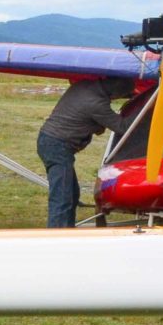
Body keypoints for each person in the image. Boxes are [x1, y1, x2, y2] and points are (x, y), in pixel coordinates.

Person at [37, 76, 137, 228]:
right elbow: (122, 127)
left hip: (49, 140)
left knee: (71, 193)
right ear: (116, 92)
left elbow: (93, 122)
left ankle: (67, 229)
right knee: (62, 196)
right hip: (58, 146)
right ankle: (57, 235)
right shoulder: (96, 104)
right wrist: (143, 110)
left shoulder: (84, 85)